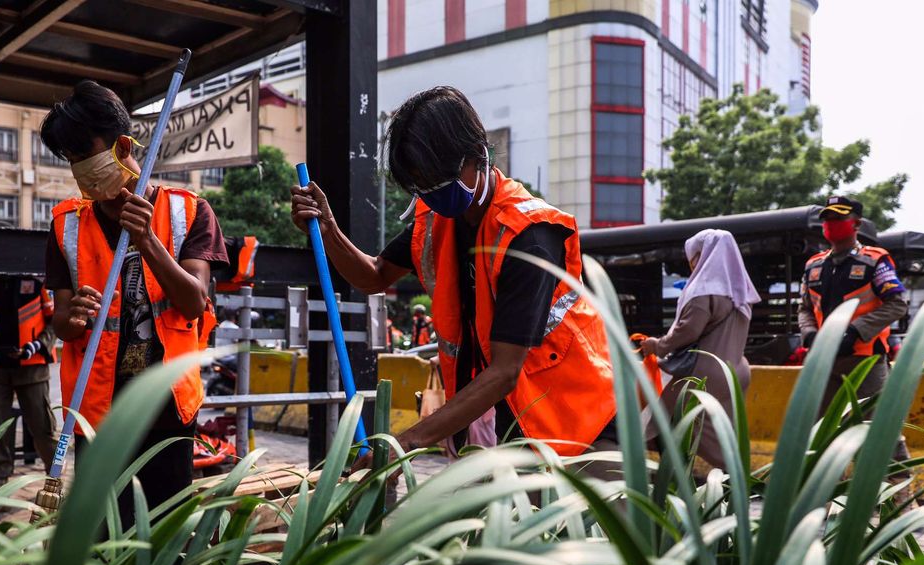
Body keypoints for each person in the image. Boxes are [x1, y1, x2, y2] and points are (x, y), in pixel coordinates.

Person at [291, 86, 617, 461]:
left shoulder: (528, 235)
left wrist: (406, 442)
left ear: (477, 152)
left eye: (437, 177)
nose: (431, 192)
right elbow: (374, 276)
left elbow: (505, 371)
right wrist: (329, 229)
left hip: (580, 425)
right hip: (510, 426)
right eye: (420, 185)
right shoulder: (436, 221)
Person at [41, 80, 227, 515]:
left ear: (122, 144)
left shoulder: (190, 212)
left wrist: (148, 243)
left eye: (85, 154)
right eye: (71, 160)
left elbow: (195, 302)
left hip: (167, 405)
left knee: (166, 524)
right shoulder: (65, 224)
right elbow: (61, 322)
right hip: (97, 409)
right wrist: (74, 317)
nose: (80, 169)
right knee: (101, 527)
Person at [799, 194, 911, 465]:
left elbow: (897, 304)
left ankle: (896, 490)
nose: (831, 224)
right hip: (824, 362)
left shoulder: (875, 261)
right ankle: (818, 499)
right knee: (817, 431)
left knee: (878, 430)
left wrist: (856, 331)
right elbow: (804, 308)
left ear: (856, 224)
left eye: (839, 218)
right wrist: (810, 333)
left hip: (865, 361)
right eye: (827, 219)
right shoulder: (813, 265)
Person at [640, 229, 759, 469]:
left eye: (693, 258)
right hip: (735, 370)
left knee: (656, 420)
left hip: (702, 374)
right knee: (722, 430)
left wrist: (656, 345)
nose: (691, 264)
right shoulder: (739, 292)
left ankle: (732, 476)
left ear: (702, 257)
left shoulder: (703, 292)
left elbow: (687, 332)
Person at [0, 274, 58, 493]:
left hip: (33, 365)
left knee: (42, 427)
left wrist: (37, 345)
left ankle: (55, 482)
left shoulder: (38, 280)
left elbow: (55, 320)